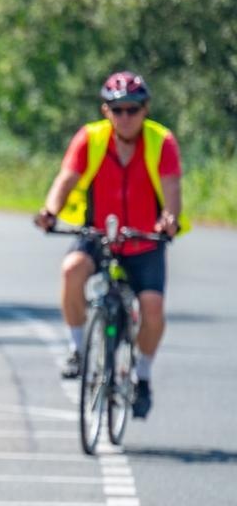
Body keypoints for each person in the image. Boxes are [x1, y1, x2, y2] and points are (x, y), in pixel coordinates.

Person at [34, 71, 184, 418]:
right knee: (71, 270)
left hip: (144, 240)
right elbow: (66, 179)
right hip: (98, 235)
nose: (125, 117)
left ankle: (142, 376)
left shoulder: (162, 142)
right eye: (118, 110)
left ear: (145, 109)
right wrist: (49, 211)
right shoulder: (90, 138)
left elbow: (172, 190)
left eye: (132, 109)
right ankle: (76, 348)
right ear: (106, 111)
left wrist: (169, 219)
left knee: (152, 309)